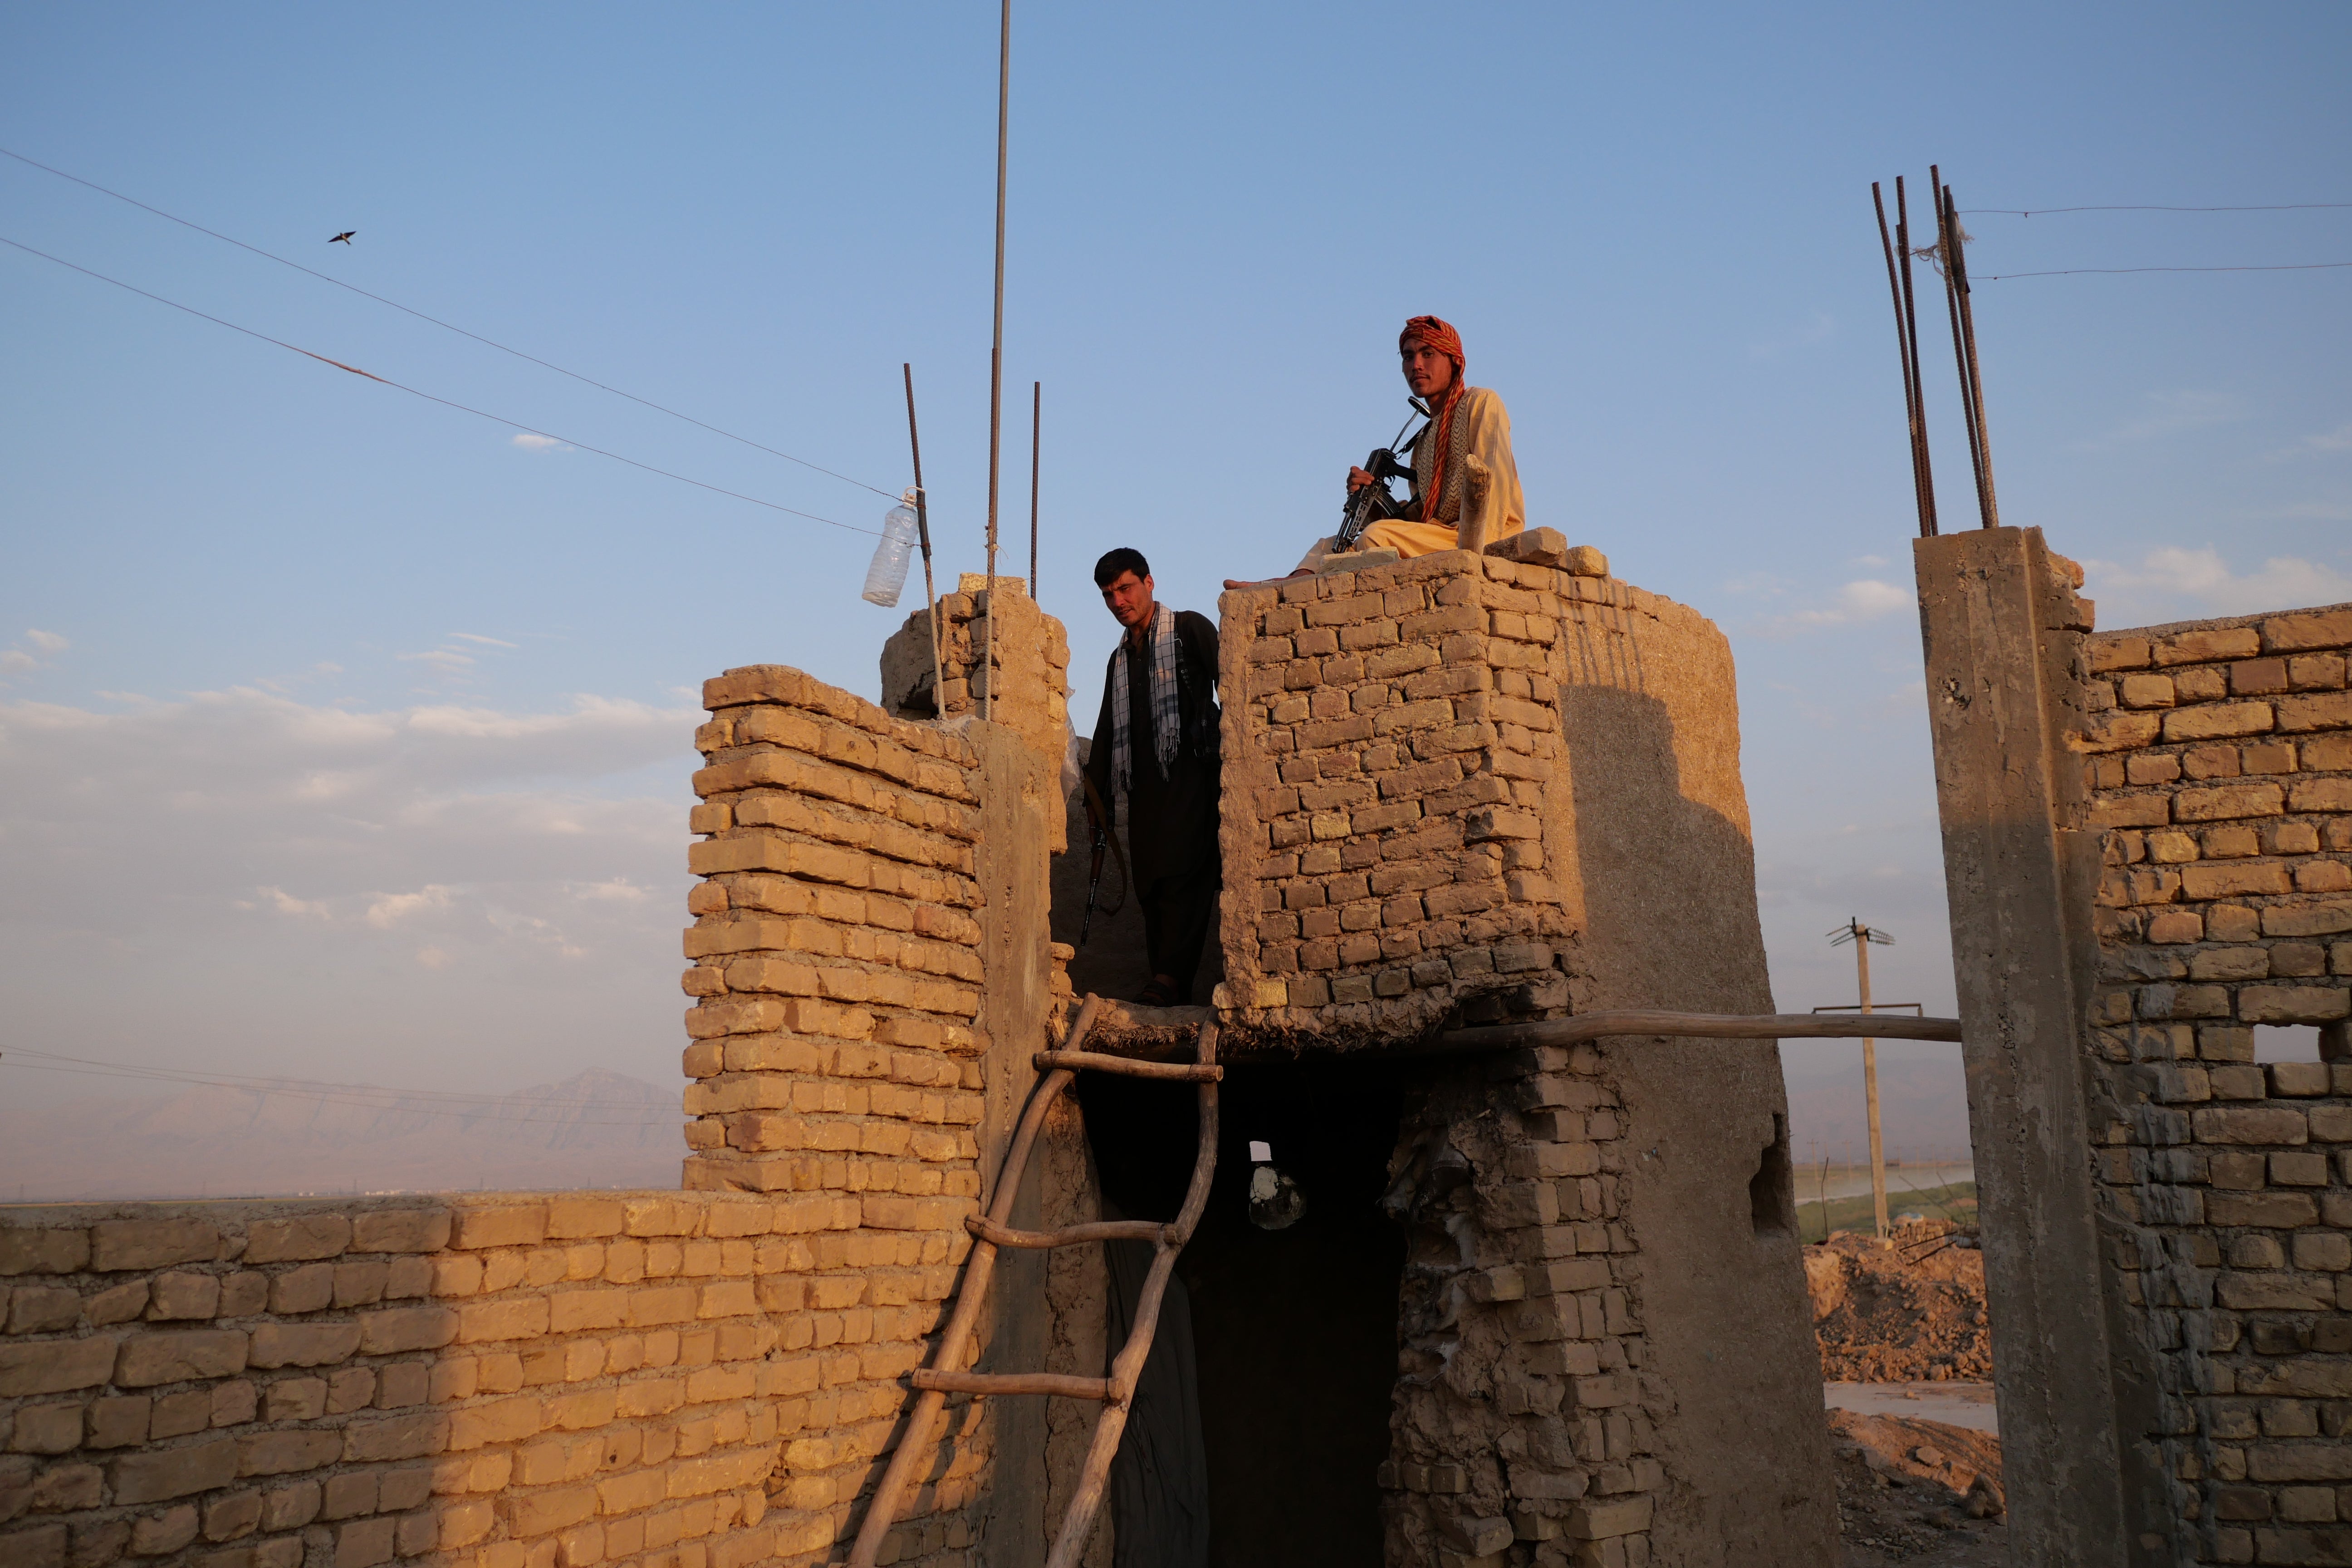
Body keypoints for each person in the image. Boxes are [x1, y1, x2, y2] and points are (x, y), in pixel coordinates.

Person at [1225, 314, 1525, 587]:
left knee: (1376, 537)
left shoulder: (1481, 403)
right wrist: (1375, 503)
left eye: (1428, 354)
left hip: (1480, 536)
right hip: (1439, 535)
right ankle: (1287, 589)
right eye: (1408, 357)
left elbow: (1493, 481)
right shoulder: (1423, 440)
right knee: (1328, 546)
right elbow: (1423, 516)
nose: (1416, 365)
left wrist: (1480, 549)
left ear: (1454, 361)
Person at [1083, 547, 1221, 1007]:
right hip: (1143, 790)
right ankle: (1164, 978)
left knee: (1187, 875)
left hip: (1192, 778)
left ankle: (1170, 979)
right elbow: (1105, 731)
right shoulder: (1118, 660)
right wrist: (1095, 800)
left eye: (1124, 588)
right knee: (1152, 883)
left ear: (1149, 583)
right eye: (1109, 595)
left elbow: (1233, 685)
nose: (1118, 601)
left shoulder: (1189, 630)